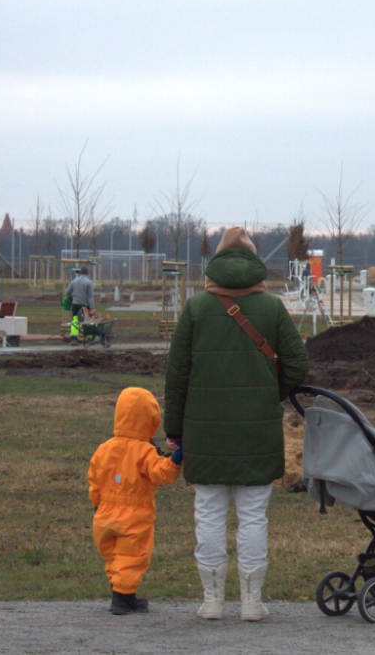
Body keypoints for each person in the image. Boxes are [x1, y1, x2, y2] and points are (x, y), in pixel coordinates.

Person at [163, 226, 309, 622]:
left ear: (217, 263)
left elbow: (176, 376)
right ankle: (251, 601)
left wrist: (174, 429)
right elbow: (298, 365)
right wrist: (267, 391)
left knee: (208, 513)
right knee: (253, 517)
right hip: (257, 431)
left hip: (204, 431)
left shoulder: (194, 309)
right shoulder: (274, 308)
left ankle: (212, 601)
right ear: (254, 261)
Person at [88, 387, 183, 616]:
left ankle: (124, 596)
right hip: (134, 514)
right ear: (150, 420)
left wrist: (97, 504)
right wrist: (178, 457)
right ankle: (122, 599)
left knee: (114, 556)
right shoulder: (144, 451)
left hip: (104, 514)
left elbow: (94, 480)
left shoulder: (104, 449)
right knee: (131, 557)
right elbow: (162, 474)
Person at [65, 266, 95, 346]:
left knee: (75, 321)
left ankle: (74, 339)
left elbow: (67, 292)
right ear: (88, 273)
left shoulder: (74, 281)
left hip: (75, 305)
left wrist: (73, 296)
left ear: (80, 273)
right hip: (85, 306)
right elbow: (90, 296)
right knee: (87, 321)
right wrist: (91, 308)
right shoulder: (89, 283)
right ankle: (89, 338)